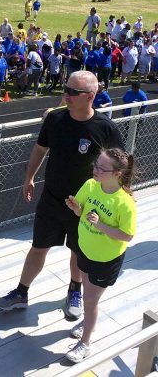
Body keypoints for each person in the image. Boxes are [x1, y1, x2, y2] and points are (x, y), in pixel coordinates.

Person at [0, 71, 123, 322]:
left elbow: (121, 164)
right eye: (66, 89)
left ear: (91, 96)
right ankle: (21, 292)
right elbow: (40, 149)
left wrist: (122, 194)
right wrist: (29, 177)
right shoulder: (54, 119)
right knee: (37, 247)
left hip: (84, 206)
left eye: (74, 92)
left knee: (77, 251)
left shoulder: (105, 128)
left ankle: (74, 291)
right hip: (51, 199)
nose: (66, 95)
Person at [64, 148, 136, 362]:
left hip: (105, 259)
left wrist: (101, 225)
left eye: (101, 168)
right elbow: (81, 212)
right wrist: (75, 207)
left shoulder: (124, 203)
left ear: (117, 173)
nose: (95, 170)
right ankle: (87, 321)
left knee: (90, 300)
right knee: (88, 294)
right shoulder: (90, 185)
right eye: (95, 165)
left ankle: (85, 344)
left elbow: (127, 235)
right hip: (85, 249)